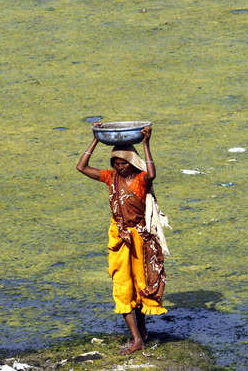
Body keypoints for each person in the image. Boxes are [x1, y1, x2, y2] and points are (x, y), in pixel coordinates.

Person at [76, 125, 167, 355]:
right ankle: (137, 338)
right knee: (123, 286)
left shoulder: (139, 180)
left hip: (140, 238)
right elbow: (81, 167)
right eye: (115, 162)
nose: (119, 166)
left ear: (133, 163)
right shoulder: (111, 178)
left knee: (141, 286)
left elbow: (152, 173)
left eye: (123, 162)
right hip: (120, 238)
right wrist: (95, 140)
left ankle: (142, 333)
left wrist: (146, 144)